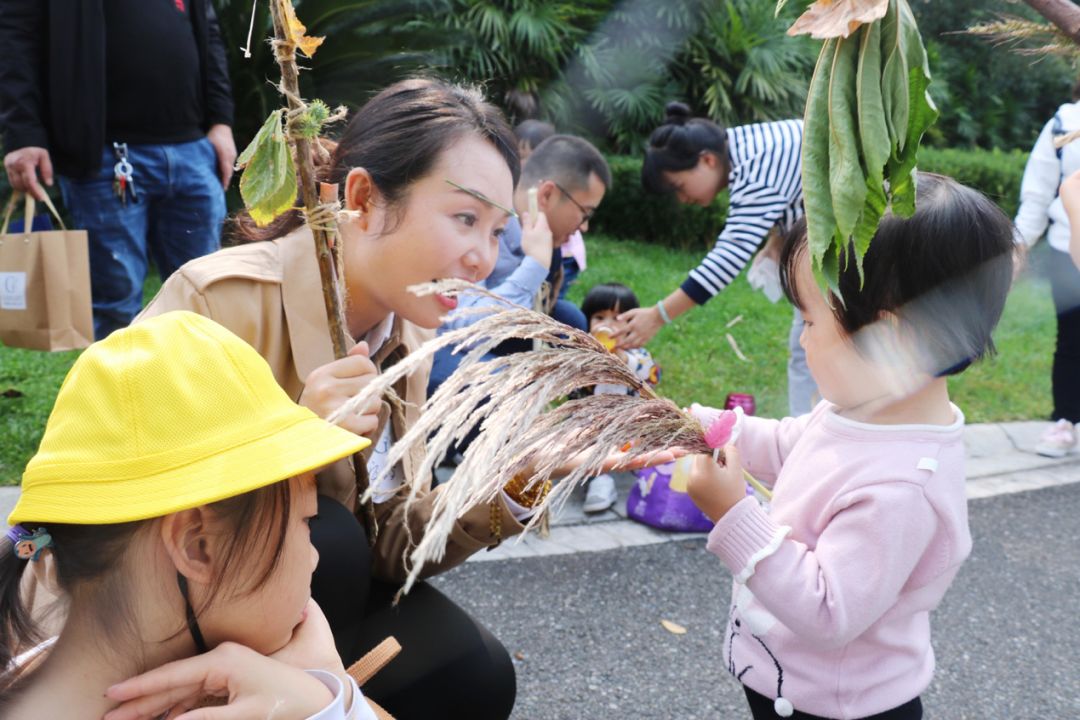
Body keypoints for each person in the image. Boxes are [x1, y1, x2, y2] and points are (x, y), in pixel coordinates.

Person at [138, 78, 542, 720]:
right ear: (362, 198)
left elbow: (388, 549)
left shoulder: (406, 340)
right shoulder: (215, 302)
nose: (484, 260)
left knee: (477, 673)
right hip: (178, 625)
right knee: (329, 535)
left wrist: (517, 481)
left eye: (497, 231)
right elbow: (122, 513)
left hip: (318, 611)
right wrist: (294, 441)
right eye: (466, 219)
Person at [683, 173, 1014, 719]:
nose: (804, 339)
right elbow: (792, 445)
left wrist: (733, 513)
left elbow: (828, 611)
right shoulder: (859, 409)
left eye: (811, 321)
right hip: (789, 685)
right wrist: (696, 424)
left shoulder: (903, 488)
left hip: (840, 708)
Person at [0, 311, 378, 719]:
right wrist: (329, 702)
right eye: (307, 521)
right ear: (197, 544)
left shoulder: (30, 671)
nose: (315, 555)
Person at [0, 0, 236, 339]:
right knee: (116, 310)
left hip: (192, 150)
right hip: (101, 158)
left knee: (207, 300)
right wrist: (22, 134)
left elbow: (209, 34)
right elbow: (15, 38)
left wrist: (221, 122)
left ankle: (200, 391)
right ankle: (124, 392)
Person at [616, 102, 815, 415]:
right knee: (808, 346)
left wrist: (658, 315)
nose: (683, 200)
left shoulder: (757, 168)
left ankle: (811, 437)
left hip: (873, 245)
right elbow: (799, 190)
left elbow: (728, 257)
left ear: (706, 160)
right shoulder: (751, 145)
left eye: (679, 187)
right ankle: (808, 431)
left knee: (816, 348)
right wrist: (777, 239)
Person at [427, 134, 611, 397]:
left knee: (571, 322)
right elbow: (465, 328)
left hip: (495, 324)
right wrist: (535, 264)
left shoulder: (545, 239)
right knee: (486, 386)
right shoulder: (483, 217)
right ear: (547, 194)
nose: (584, 226)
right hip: (438, 335)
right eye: (585, 212)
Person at [1014, 99, 1080, 457]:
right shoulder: (1063, 123)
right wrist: (1016, 247)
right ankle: (1065, 419)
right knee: (1072, 338)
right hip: (1066, 249)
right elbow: (1038, 195)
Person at [579, 283, 661, 512]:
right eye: (599, 317)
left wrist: (623, 359)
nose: (608, 325)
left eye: (617, 318)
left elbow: (650, 373)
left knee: (644, 447)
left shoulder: (637, 354)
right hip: (594, 428)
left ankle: (643, 468)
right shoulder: (583, 355)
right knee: (594, 451)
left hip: (631, 425)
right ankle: (600, 481)